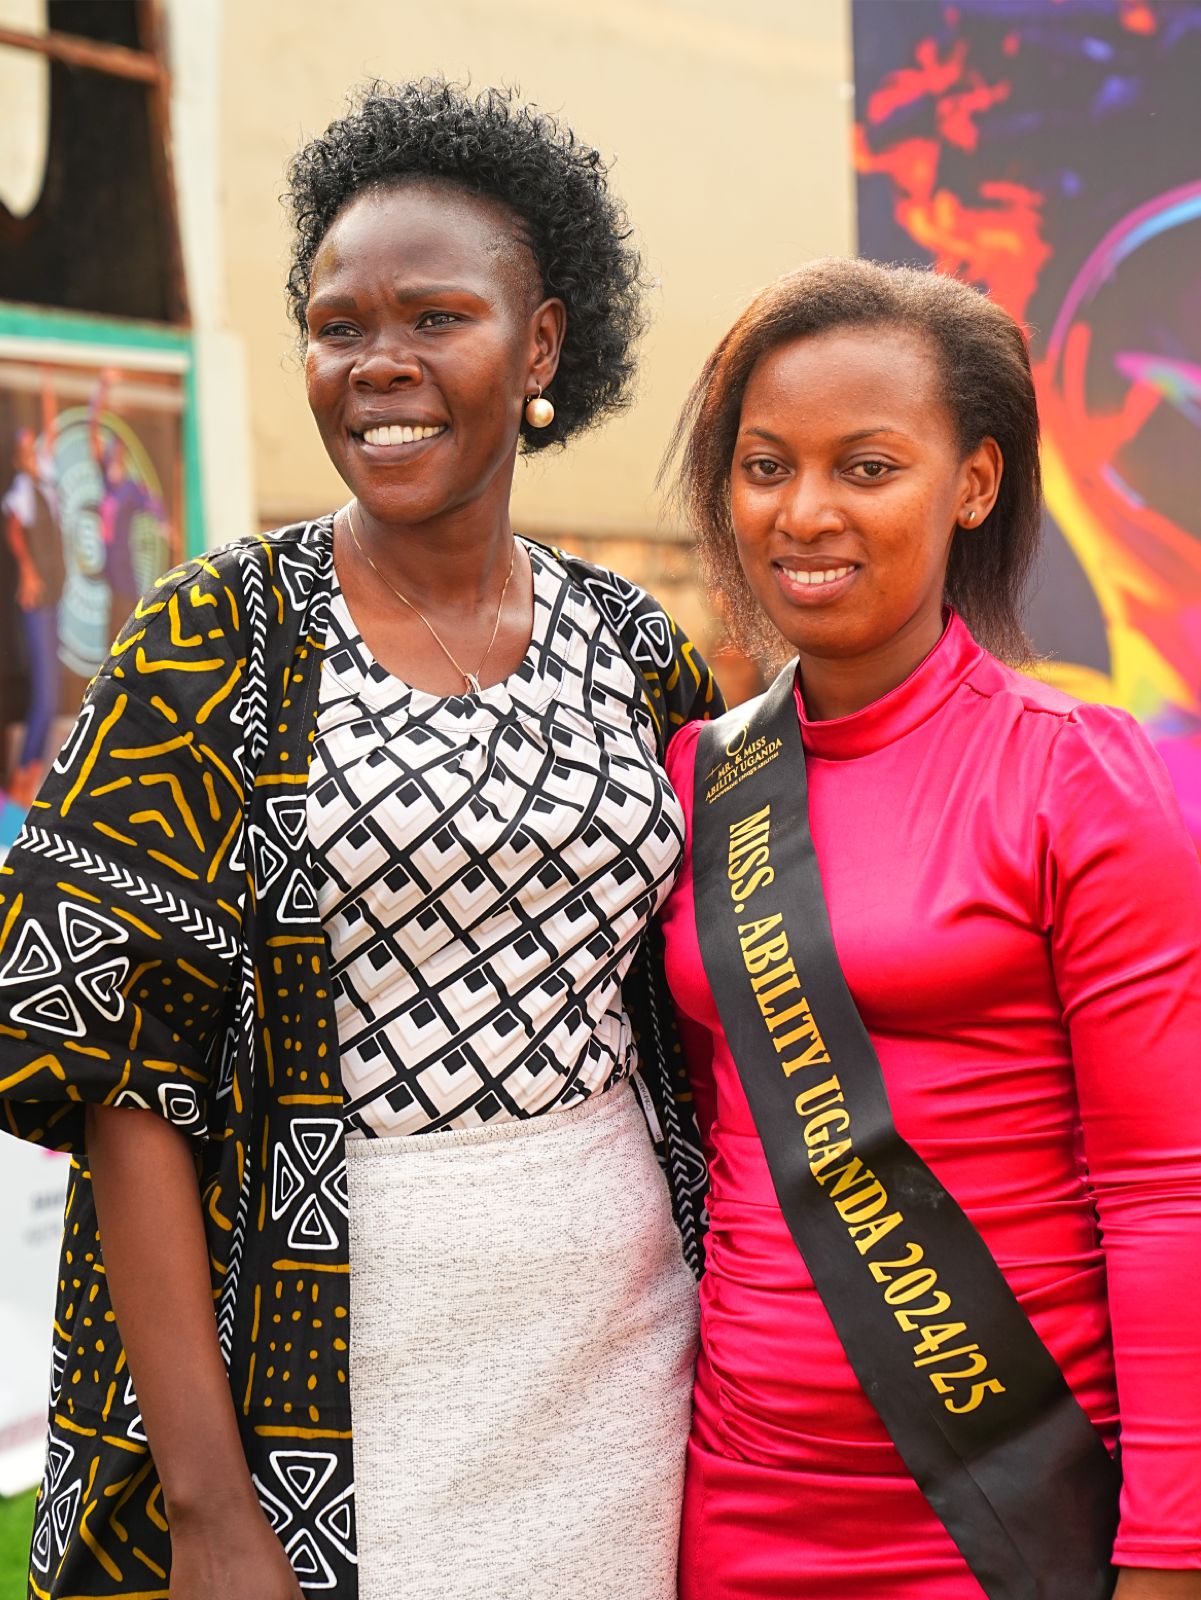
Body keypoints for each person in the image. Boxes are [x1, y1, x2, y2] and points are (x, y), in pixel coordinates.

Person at [0, 80, 719, 1600]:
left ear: (538, 346)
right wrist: (206, 1504)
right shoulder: (213, 640)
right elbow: (116, 1076)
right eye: (338, 325)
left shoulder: (637, 648)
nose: (378, 364)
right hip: (313, 1345)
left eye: (435, 316)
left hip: (621, 1337)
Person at [659, 257, 1201, 1599]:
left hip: (1008, 1507)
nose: (804, 512)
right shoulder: (695, 778)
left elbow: (1168, 1195)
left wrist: (1172, 1551)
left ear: (973, 482)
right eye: (766, 465)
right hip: (738, 1497)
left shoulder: (1076, 772)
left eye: (868, 466)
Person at [2, 374, 64, 810]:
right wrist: (27, 572)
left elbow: (53, 432)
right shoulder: (23, 488)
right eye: (25, 447)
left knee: (53, 691)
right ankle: (22, 778)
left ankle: (28, 776)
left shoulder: (44, 479)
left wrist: (46, 391)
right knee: (44, 692)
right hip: (38, 599)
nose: (32, 451)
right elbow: (12, 528)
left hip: (56, 595)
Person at [89, 369, 168, 647]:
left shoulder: (131, 488)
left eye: (118, 453)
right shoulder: (106, 480)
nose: (114, 456)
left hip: (124, 565)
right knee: (112, 620)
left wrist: (163, 524)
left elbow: (153, 503)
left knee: (129, 616)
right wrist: (102, 389)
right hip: (109, 563)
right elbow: (93, 428)